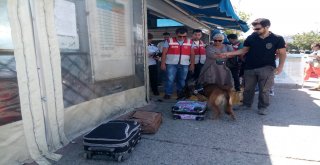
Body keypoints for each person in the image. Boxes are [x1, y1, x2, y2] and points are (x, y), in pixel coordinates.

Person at [218, 18, 287, 115]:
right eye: (254, 29)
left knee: (264, 89)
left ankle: (263, 107)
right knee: (248, 88)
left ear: (267, 27)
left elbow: (282, 53)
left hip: (267, 67)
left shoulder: (277, 38)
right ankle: (246, 104)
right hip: (249, 67)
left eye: (258, 29)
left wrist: (280, 67)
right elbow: (244, 50)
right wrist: (228, 54)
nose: (255, 31)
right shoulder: (251, 37)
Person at [161, 27, 195, 99]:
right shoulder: (169, 41)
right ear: (176, 34)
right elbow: (164, 53)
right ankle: (168, 93)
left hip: (184, 64)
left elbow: (192, 54)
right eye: (180, 36)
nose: (182, 38)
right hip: (171, 64)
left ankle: (180, 93)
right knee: (170, 79)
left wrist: (192, 64)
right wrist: (162, 64)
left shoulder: (190, 42)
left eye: (184, 36)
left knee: (182, 80)